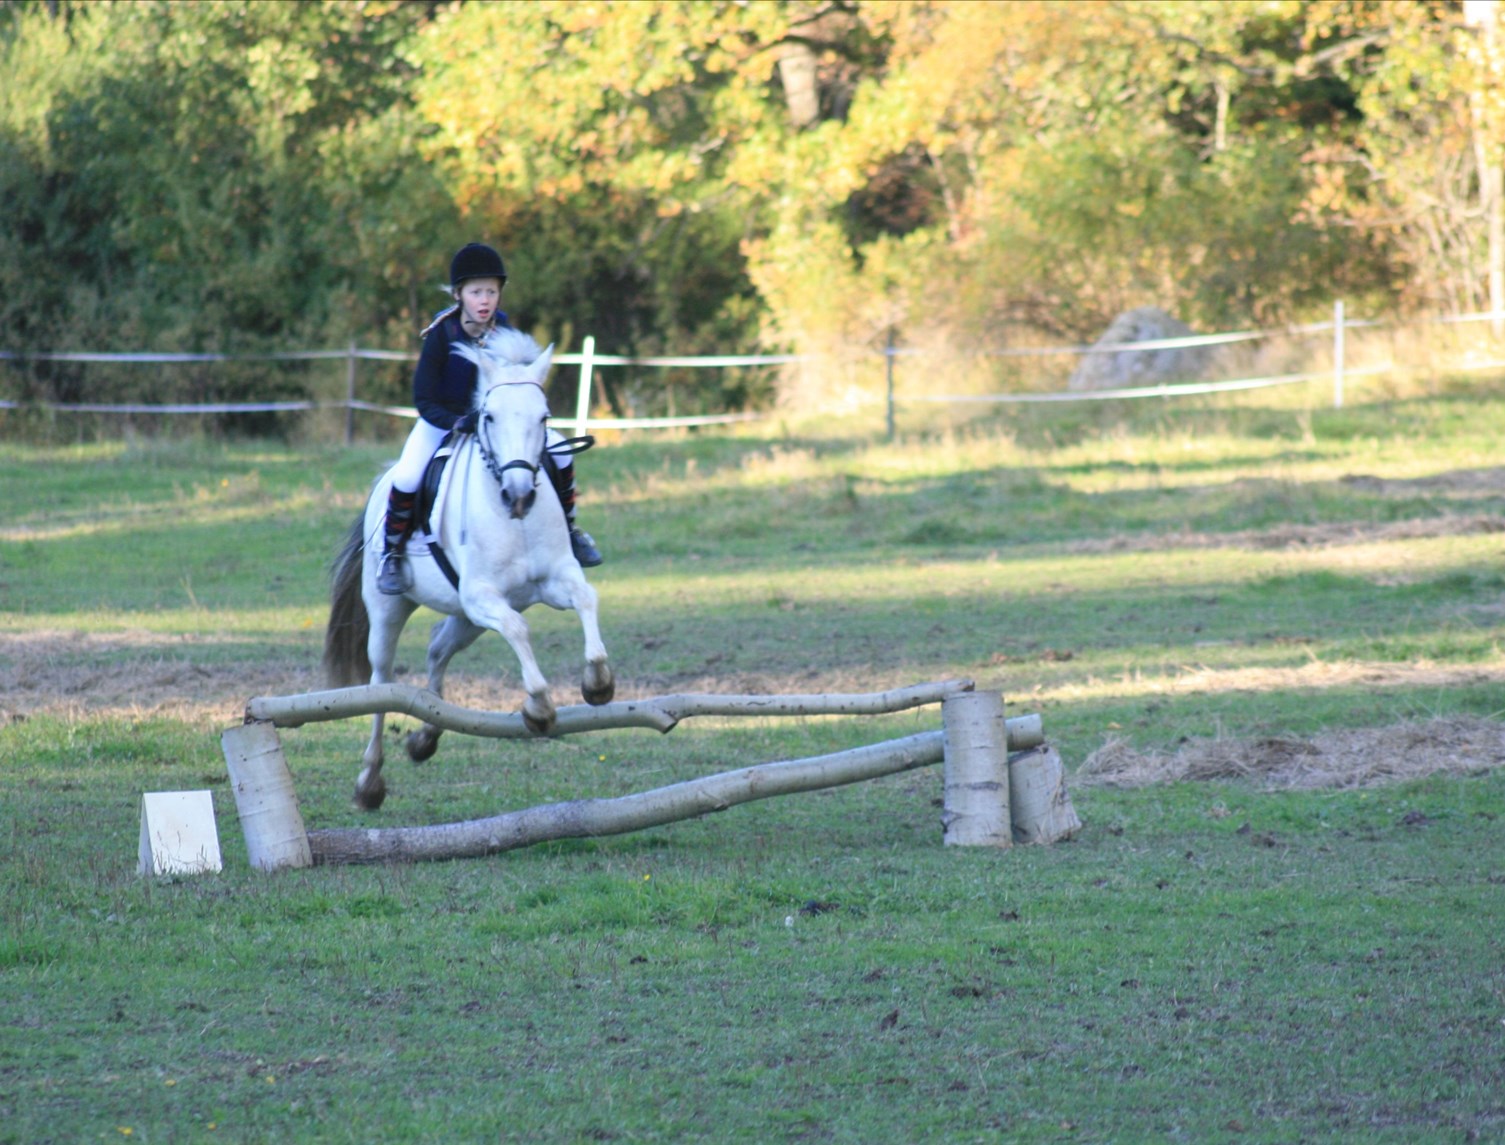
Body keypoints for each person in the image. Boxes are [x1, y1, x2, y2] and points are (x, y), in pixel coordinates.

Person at [376, 242, 603, 595]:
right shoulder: (441, 335)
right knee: (406, 475)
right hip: (442, 423)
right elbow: (423, 398)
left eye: (491, 292)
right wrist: (455, 422)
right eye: (476, 292)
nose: (485, 300)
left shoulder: (505, 330)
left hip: (498, 427)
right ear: (458, 295)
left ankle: (570, 531)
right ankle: (391, 553)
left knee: (560, 451)